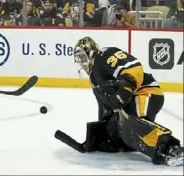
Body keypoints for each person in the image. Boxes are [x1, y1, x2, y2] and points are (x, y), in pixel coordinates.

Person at [72, 37, 183, 166]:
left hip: (145, 92)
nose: (81, 62)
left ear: (90, 52)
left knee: (131, 123)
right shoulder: (94, 78)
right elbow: (105, 106)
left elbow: (133, 67)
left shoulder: (104, 55)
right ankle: (123, 141)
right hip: (131, 99)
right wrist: (103, 133)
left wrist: (125, 87)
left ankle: (171, 148)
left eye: (82, 57)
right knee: (119, 128)